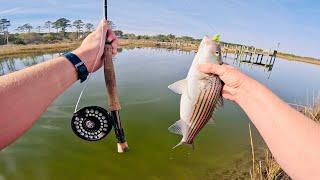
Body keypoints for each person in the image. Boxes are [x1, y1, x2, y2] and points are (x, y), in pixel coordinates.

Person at [0, 20, 319, 179]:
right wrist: (241, 89)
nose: (213, 48)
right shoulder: (207, 72)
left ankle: (186, 137)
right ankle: (187, 137)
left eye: (216, 51)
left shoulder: (207, 72)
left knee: (187, 124)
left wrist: (82, 58)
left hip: (199, 96)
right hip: (202, 93)